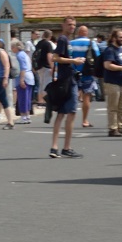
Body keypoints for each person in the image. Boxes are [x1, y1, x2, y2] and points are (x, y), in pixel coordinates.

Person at [48, 16, 83, 158]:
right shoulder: (63, 39)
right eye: (69, 24)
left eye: (73, 25)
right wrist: (73, 60)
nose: (72, 27)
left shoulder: (66, 40)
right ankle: (66, 147)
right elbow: (55, 57)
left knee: (62, 113)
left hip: (67, 78)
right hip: (67, 80)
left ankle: (54, 147)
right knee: (71, 112)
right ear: (63, 25)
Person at [100, 28, 122, 137]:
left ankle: (121, 127)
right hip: (112, 82)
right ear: (114, 38)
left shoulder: (121, 49)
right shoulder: (110, 50)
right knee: (113, 107)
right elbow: (107, 65)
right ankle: (113, 129)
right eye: (120, 37)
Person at [12, 40, 35, 124]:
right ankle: (27, 115)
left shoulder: (19, 55)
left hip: (24, 78)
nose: (12, 49)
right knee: (27, 98)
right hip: (29, 77)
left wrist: (21, 80)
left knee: (22, 98)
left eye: (12, 47)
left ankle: (23, 116)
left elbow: (23, 68)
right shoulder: (25, 54)